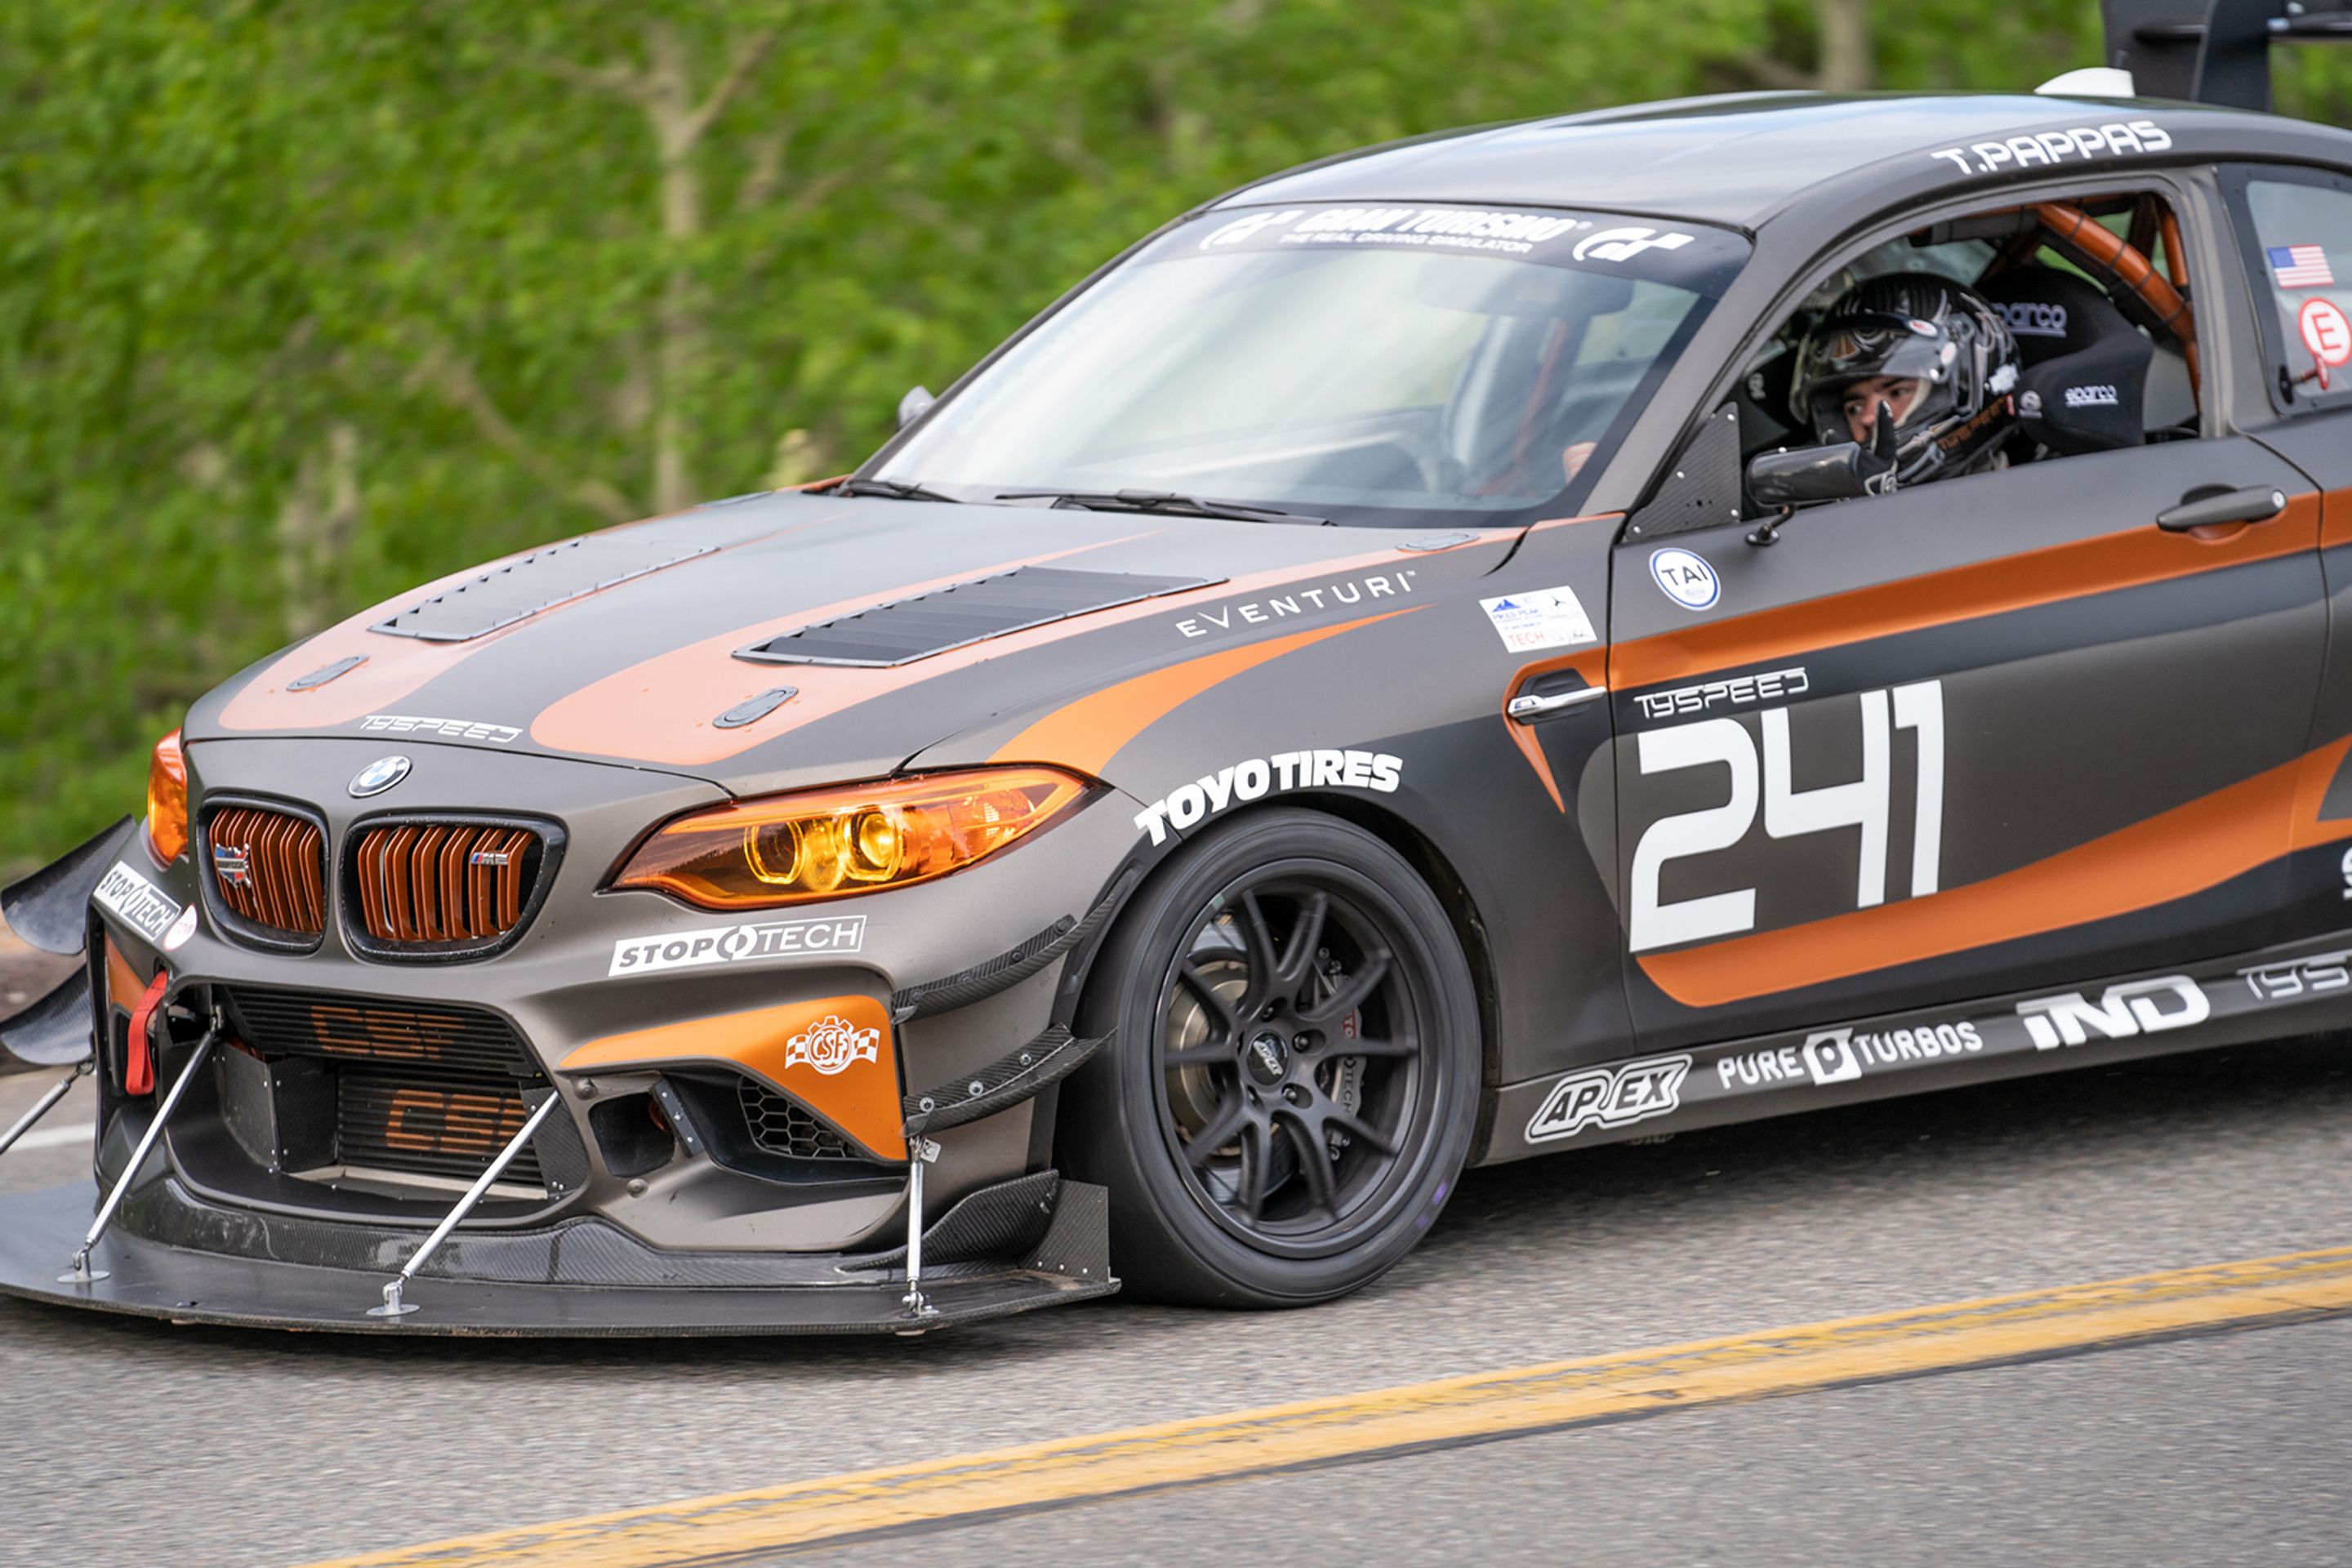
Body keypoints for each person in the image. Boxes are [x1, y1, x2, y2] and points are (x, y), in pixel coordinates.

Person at [1789, 274, 2022, 488]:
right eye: (1854, 407)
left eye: (1897, 393)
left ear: (1965, 393)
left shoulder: (2025, 517)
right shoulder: (1821, 515)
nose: (1868, 417)